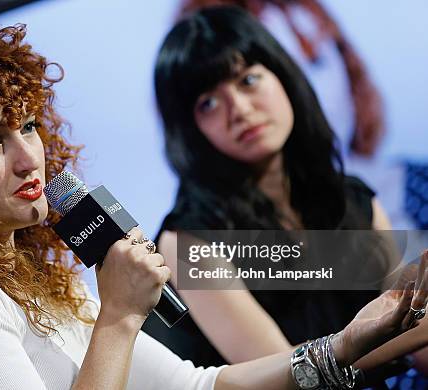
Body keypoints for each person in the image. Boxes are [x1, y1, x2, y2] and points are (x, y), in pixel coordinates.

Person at [0, 8, 427, 390]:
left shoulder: (349, 198)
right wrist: (119, 316)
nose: (29, 158)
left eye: (29, 127)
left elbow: (199, 387)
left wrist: (359, 338)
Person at [140, 4, 428, 378]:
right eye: (208, 103)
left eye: (247, 80)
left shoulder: (355, 201)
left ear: (283, 76)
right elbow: (290, 376)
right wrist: (405, 335)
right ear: (191, 131)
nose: (239, 110)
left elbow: (414, 332)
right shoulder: (189, 241)